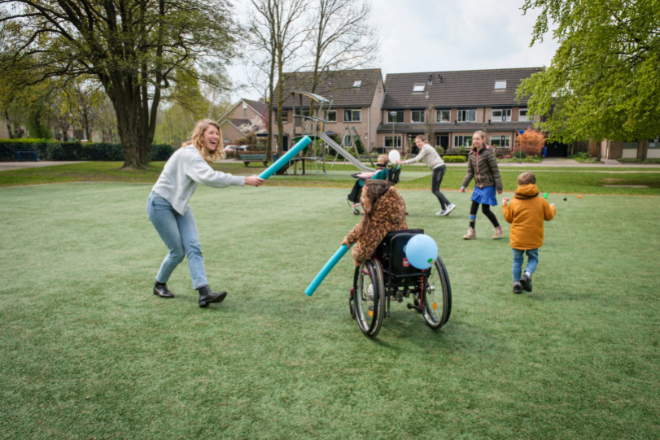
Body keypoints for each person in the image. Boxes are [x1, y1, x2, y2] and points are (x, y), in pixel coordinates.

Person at [147, 119, 264, 308]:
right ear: (200, 134)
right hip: (160, 203)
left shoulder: (197, 156)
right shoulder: (190, 155)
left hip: (180, 206)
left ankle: (204, 292)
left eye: (217, 134)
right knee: (177, 251)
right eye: (211, 133)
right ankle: (159, 284)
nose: (216, 137)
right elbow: (210, 177)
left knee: (193, 245)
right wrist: (244, 180)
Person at [502, 172, 556, 294]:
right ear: (534, 185)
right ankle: (527, 274)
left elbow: (508, 219)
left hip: (517, 239)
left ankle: (516, 284)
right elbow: (549, 216)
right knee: (533, 258)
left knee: (517, 260)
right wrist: (552, 207)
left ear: (519, 185)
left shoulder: (514, 202)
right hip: (533, 238)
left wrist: (504, 206)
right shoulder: (541, 201)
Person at [341, 180, 408, 267]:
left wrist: (356, 257)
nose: (361, 198)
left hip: (387, 260)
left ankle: (376, 277)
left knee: (367, 256)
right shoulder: (393, 210)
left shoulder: (379, 221)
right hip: (400, 253)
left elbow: (363, 251)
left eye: (364, 197)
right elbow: (363, 226)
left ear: (373, 201)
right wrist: (350, 237)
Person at [397, 135, 456, 216]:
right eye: (416, 143)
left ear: (423, 141)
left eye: (419, 142)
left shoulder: (425, 147)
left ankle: (449, 205)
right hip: (442, 167)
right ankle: (443, 209)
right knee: (436, 190)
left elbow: (417, 159)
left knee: (434, 190)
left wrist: (404, 162)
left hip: (438, 168)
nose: (417, 144)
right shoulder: (427, 147)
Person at [460, 130, 504, 239]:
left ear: (483, 140)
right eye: (474, 139)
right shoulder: (471, 154)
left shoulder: (488, 153)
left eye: (478, 139)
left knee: (485, 210)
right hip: (478, 185)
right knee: (473, 207)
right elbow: (470, 172)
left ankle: (498, 229)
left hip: (488, 184)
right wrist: (463, 185)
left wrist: (499, 186)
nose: (475, 141)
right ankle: (471, 231)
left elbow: (495, 170)